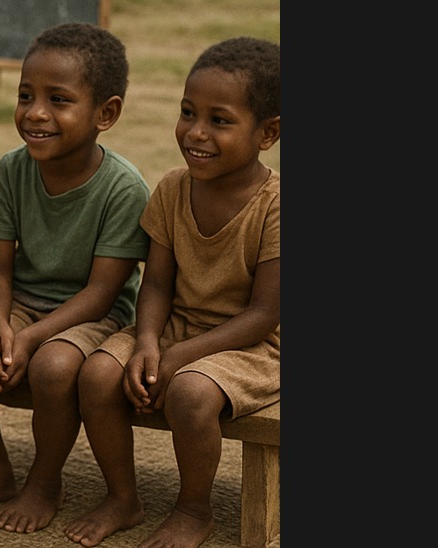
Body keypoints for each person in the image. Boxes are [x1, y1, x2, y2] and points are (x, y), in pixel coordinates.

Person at [0, 21, 150, 534]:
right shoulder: (11, 170)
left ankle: (44, 481)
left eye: (58, 100)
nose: (35, 113)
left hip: (93, 313)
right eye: (25, 95)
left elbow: (102, 294)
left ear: (107, 113)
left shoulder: (123, 189)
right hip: (21, 301)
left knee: (54, 367)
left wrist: (29, 337)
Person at [64, 36, 280, 548]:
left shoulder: (274, 205)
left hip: (251, 345)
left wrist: (179, 356)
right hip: (175, 325)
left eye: (220, 120)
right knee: (97, 373)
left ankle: (193, 509)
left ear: (268, 132)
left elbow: (265, 312)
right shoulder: (171, 188)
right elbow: (156, 282)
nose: (196, 132)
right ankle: (123, 498)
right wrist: (146, 341)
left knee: (188, 392)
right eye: (188, 112)